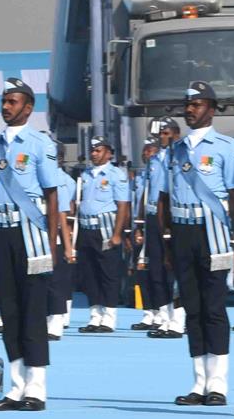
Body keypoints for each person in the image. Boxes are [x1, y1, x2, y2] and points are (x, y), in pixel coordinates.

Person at [0, 78, 67, 412]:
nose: (6, 107)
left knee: (33, 311)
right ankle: (16, 388)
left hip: (30, 234)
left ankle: (36, 387)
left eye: (13, 101)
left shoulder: (39, 144)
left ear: (28, 107)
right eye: (4, 101)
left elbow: (52, 194)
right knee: (9, 310)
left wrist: (50, 242)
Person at [158, 80, 234, 406]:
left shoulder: (226, 147)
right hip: (182, 231)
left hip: (214, 233)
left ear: (212, 108)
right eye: (188, 104)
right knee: (192, 308)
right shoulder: (174, 151)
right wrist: (166, 240)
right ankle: (199, 382)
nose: (190, 110)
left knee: (214, 307)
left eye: (197, 104)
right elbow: (164, 197)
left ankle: (218, 384)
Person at [75, 137, 129, 333]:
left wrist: (117, 234)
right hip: (86, 228)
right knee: (90, 274)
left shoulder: (116, 174)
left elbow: (123, 205)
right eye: (93, 150)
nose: (94, 153)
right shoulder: (86, 174)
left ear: (109, 152)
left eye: (98, 150)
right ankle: (95, 315)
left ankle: (109, 316)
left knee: (108, 273)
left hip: (105, 228)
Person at [148, 117, 188, 339]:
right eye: (160, 134)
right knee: (157, 269)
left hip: (176, 215)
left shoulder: (180, 156)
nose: (162, 138)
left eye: (166, 133)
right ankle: (164, 317)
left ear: (176, 134)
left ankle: (178, 319)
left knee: (177, 269)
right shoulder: (155, 160)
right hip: (155, 215)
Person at [131, 137, 170, 331]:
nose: (146, 153)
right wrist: (139, 225)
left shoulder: (168, 162)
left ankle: (166, 314)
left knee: (164, 268)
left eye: (150, 149)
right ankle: (152, 312)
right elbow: (143, 198)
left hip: (164, 219)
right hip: (148, 220)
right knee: (145, 270)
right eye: (145, 149)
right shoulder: (146, 171)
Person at [46, 164, 77, 340]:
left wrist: (68, 247)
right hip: (34, 238)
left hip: (54, 238)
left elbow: (62, 217)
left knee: (55, 283)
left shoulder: (57, 181)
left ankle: (56, 323)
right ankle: (45, 319)